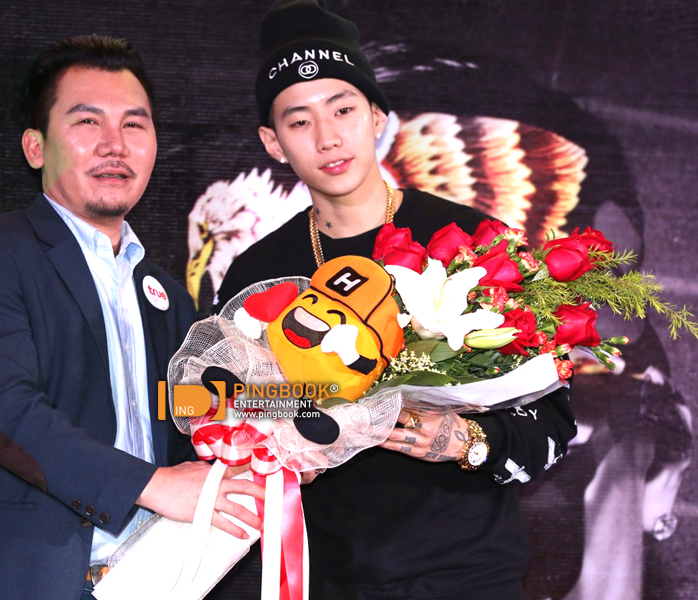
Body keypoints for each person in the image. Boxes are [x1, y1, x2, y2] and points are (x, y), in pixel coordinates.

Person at [211, 2, 577, 599]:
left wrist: (466, 440)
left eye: (343, 110)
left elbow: (554, 417)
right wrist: (293, 422)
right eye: (299, 122)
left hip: (469, 575)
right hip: (330, 576)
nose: (328, 137)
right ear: (272, 143)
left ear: (377, 117)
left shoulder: (471, 241)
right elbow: (220, 406)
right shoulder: (257, 273)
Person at [0, 35, 263, 600]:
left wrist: (284, 435)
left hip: (151, 581)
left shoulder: (168, 296)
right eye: (87, 121)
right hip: (24, 582)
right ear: (35, 147)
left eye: (134, 125)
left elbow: (188, 413)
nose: (114, 145)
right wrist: (151, 484)